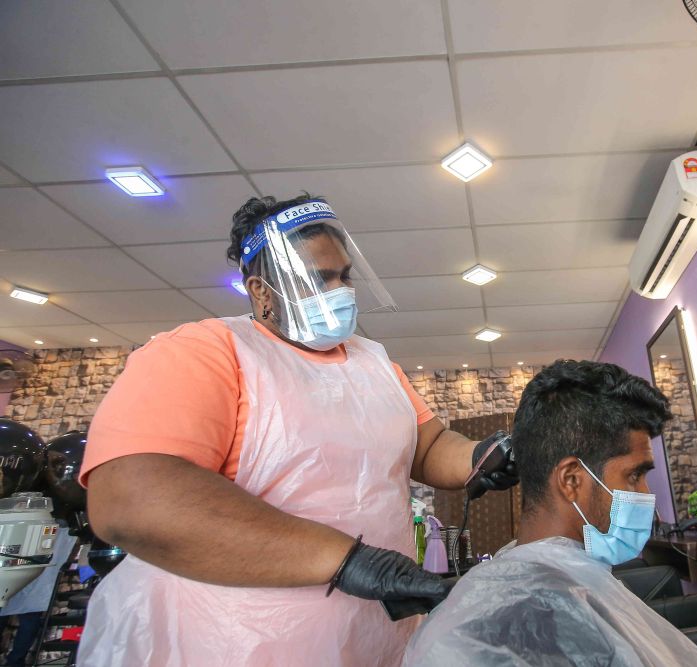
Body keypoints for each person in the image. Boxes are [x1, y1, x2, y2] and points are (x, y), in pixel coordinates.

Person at [77, 194, 517, 666]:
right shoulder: (203, 351)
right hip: (234, 642)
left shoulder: (374, 363)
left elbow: (425, 446)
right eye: (318, 279)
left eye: (344, 276)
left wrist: (480, 457)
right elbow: (131, 499)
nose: (341, 291)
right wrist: (343, 560)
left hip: (374, 636)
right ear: (261, 291)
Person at [403, 360, 697, 667]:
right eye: (635, 475)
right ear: (571, 480)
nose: (647, 495)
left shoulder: (565, 583)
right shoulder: (525, 615)